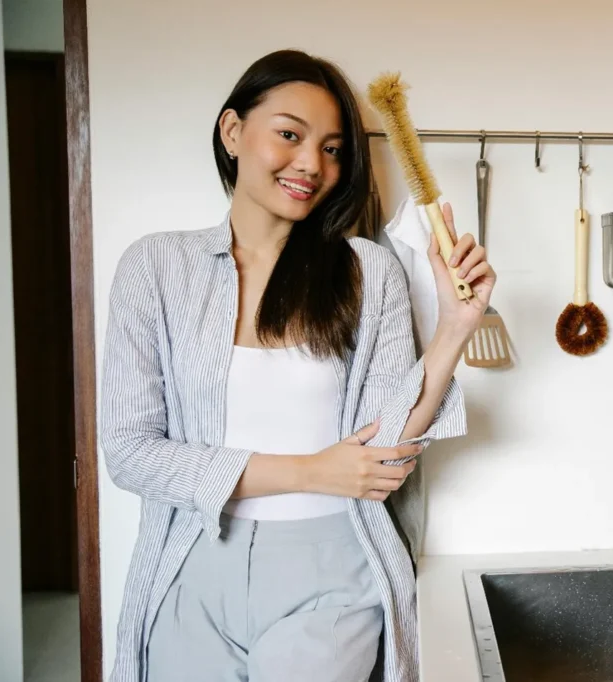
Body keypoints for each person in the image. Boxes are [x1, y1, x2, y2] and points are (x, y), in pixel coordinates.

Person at [98, 49, 495, 682]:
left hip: (331, 571)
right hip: (193, 563)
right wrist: (312, 469)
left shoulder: (368, 271)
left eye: (334, 149)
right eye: (290, 134)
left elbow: (384, 453)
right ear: (234, 132)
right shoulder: (155, 268)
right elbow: (129, 453)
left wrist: (453, 329)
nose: (312, 164)